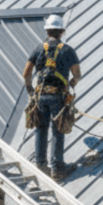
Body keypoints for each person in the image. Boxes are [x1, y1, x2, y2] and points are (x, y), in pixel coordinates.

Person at [22, 14, 82, 179]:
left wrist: (30, 90)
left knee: (41, 128)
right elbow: (77, 74)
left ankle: (41, 165)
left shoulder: (38, 48)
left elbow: (26, 73)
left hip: (40, 95)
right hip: (58, 96)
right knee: (58, 130)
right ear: (61, 31)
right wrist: (71, 85)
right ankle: (57, 168)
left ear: (47, 31)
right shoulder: (68, 50)